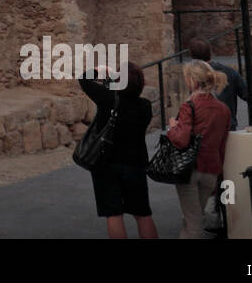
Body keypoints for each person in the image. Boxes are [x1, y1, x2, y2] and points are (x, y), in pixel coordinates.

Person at [78, 62, 158, 239]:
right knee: (143, 213)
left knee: (114, 214)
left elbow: (84, 79)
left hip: (107, 163)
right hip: (135, 163)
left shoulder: (107, 100)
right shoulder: (145, 106)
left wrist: (102, 70)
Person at [166, 60, 231, 239]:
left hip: (190, 168)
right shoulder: (223, 109)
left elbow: (181, 139)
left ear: (192, 81)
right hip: (211, 169)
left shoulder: (190, 106)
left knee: (193, 221)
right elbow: (222, 143)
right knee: (194, 217)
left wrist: (173, 127)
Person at [186, 37, 252, 131]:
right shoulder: (230, 72)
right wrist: (251, 127)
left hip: (203, 131)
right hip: (227, 129)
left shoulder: (194, 76)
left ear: (192, 55)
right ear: (210, 52)